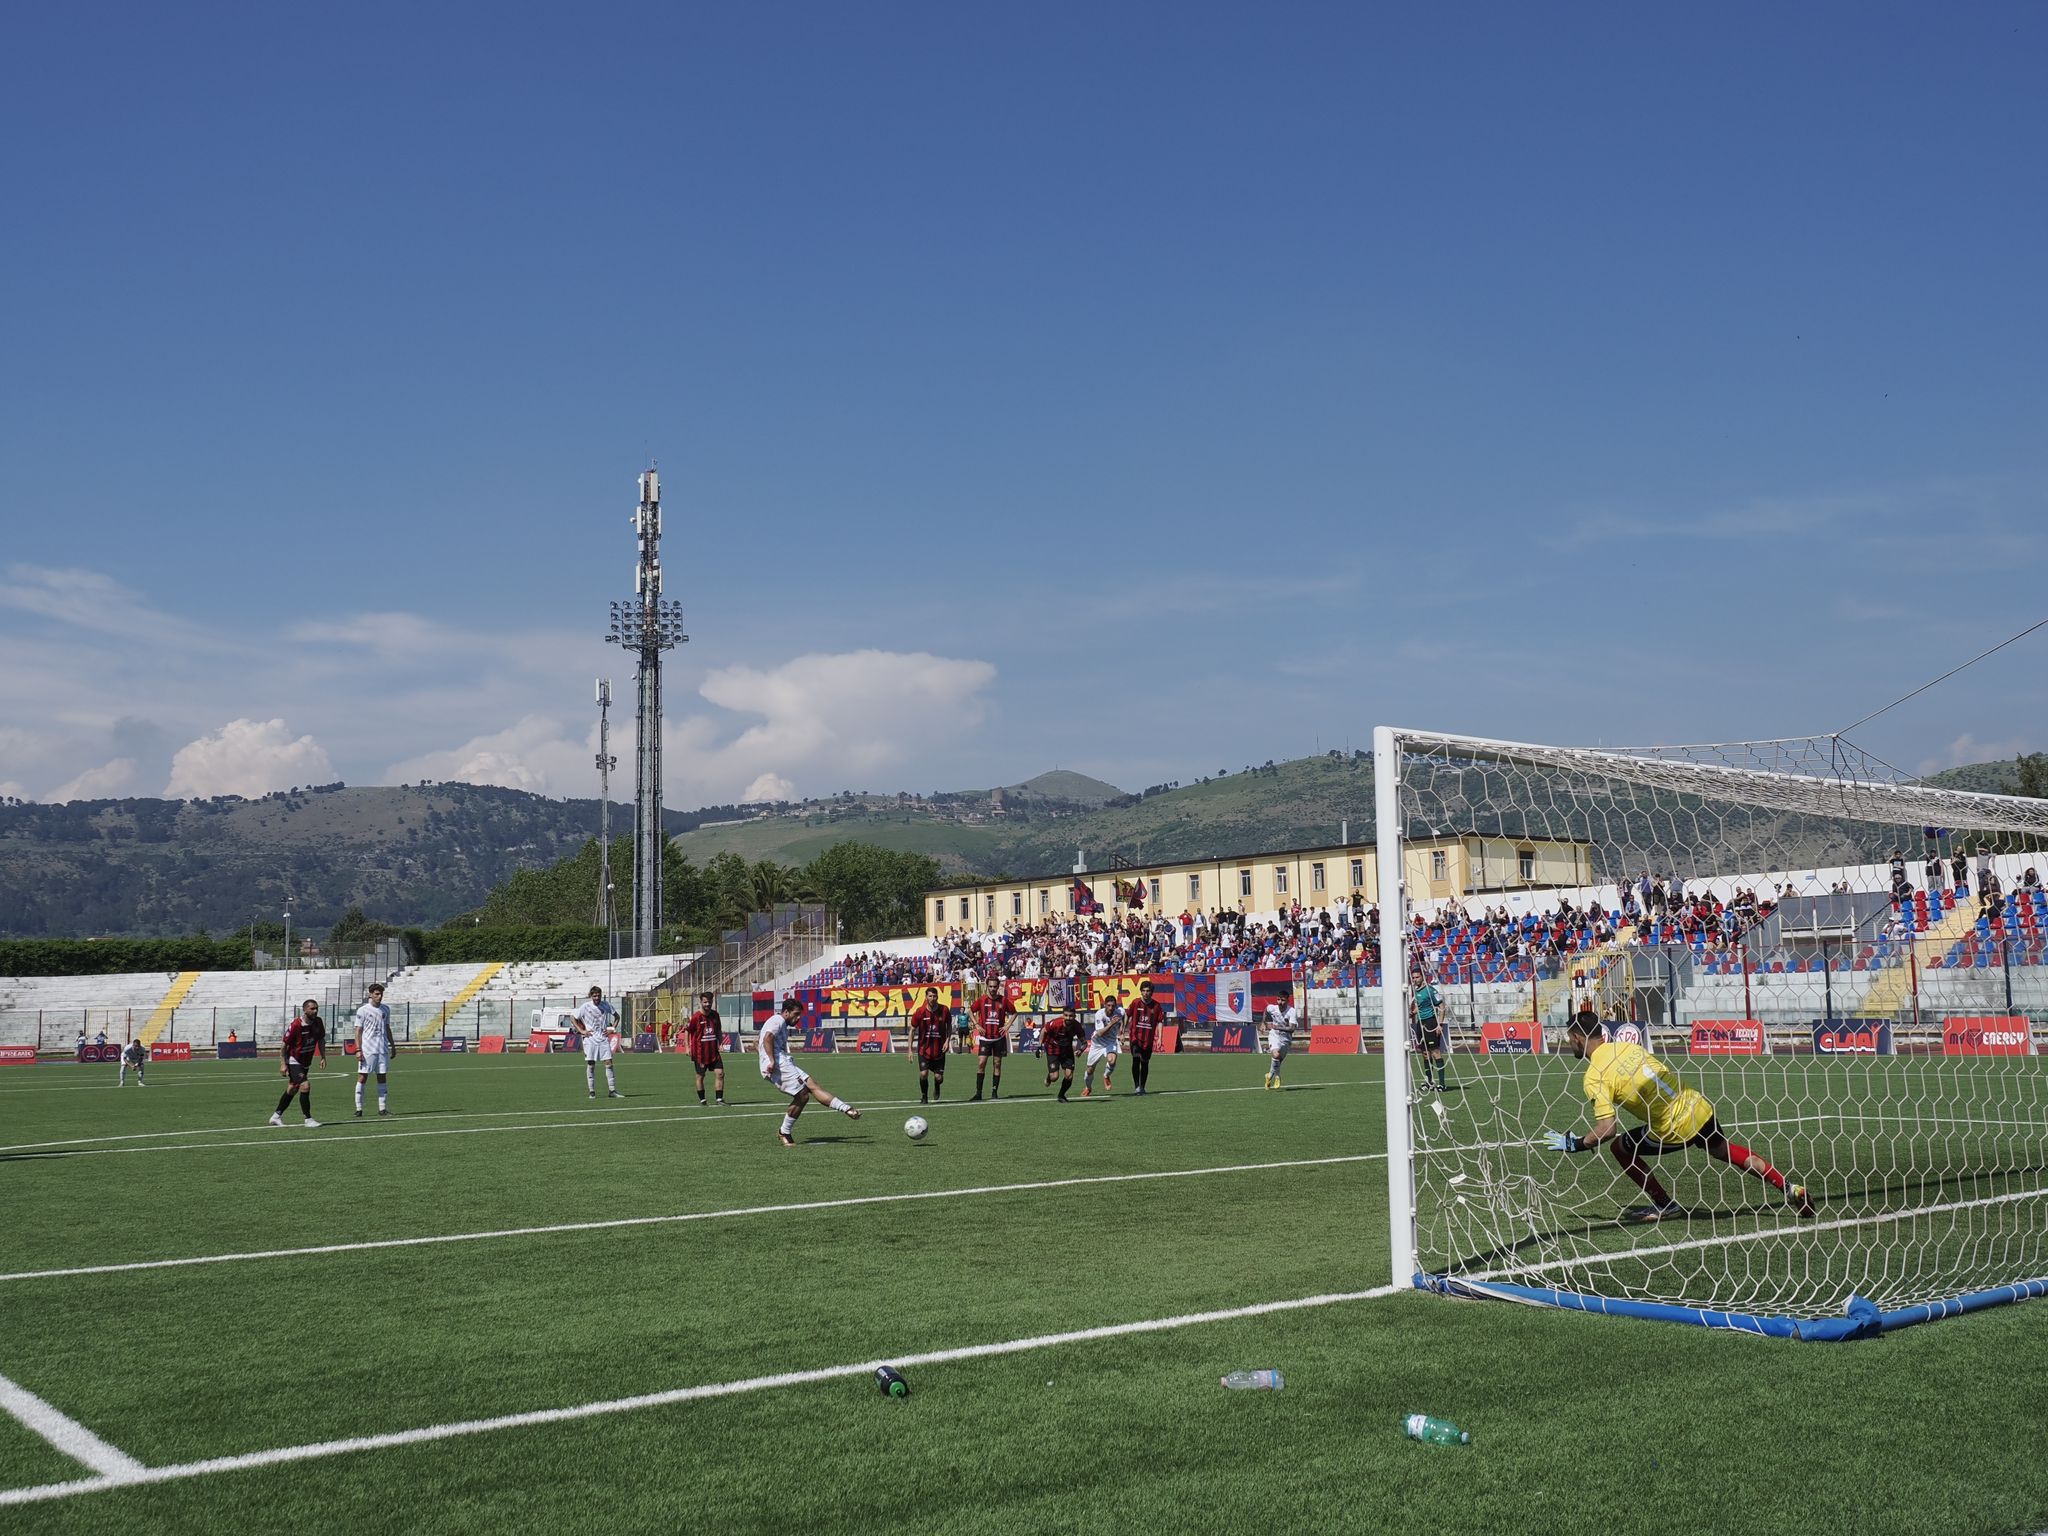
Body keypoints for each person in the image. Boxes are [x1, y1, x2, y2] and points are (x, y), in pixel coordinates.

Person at [1545, 1011, 1814, 1222]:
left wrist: (1576, 1144)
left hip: (1673, 1127)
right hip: (1697, 1105)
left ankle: (1664, 1204)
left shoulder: (1594, 1075)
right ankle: (1789, 1187)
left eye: (1570, 1039)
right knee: (1724, 1150)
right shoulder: (1628, 1047)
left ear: (1578, 1037)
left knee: (1620, 1148)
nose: (1570, 1044)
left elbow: (1607, 1128)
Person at [758, 995, 861, 1146]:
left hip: (782, 1060)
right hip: (777, 1062)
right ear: (786, 1012)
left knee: (813, 1085)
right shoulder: (778, 1020)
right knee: (802, 1095)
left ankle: (847, 1109)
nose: (798, 1018)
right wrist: (771, 1060)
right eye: (796, 1014)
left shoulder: (780, 1023)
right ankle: (784, 1132)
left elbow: (760, 1040)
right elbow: (767, 1038)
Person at [269, 999, 326, 1127]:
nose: (315, 1011)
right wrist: (283, 1064)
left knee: (292, 1089)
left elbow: (321, 1039)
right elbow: (284, 1046)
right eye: (312, 1008)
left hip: (306, 1061)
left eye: (316, 1008)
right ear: (305, 1010)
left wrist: (323, 1056)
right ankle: (308, 1119)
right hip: (294, 1060)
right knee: (305, 1085)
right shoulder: (296, 1025)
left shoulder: (318, 1022)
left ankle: (276, 1116)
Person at [352, 982, 394, 1118]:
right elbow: (358, 1031)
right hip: (368, 1050)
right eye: (376, 994)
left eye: (381, 994)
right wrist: (358, 1049)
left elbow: (387, 1028)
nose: (379, 996)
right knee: (362, 1077)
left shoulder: (386, 1009)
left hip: (382, 1049)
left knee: (382, 1077)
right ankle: (359, 1109)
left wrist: (392, 1045)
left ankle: (382, 1109)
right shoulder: (363, 1010)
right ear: (370, 994)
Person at [573, 986, 621, 1100]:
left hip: (603, 1039)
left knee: (609, 1063)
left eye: (598, 995)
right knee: (591, 1065)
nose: (597, 997)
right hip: (590, 1039)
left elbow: (617, 1017)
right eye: (594, 995)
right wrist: (582, 1031)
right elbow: (573, 1018)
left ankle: (612, 1090)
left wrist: (612, 1029)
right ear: (591, 996)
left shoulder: (606, 1005)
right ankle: (592, 1092)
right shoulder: (585, 1007)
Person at [969, 986, 1014, 1101]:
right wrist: (976, 1025)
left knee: (997, 1064)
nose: (993, 989)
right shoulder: (982, 1000)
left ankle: (994, 1092)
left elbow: (1014, 1012)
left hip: (999, 1038)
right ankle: (978, 1093)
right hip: (985, 1038)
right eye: (991, 986)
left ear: (997, 987)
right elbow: (970, 1010)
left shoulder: (1003, 1000)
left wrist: (1008, 1025)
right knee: (981, 1063)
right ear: (987, 987)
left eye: (995, 986)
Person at [909, 986, 952, 1104]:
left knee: (939, 1078)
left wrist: (947, 1040)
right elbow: (912, 1030)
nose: (932, 998)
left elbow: (949, 1026)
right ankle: (924, 1096)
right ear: (926, 997)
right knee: (923, 1073)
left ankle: (937, 1086)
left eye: (934, 996)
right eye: (930, 996)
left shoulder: (944, 1010)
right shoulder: (920, 1012)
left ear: (937, 996)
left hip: (939, 1050)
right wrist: (910, 1050)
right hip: (924, 1049)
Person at [1125, 978, 1167, 1096]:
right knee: (1136, 1058)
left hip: (1148, 1039)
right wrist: (1122, 1031)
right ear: (1140, 991)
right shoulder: (1135, 1002)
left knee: (1145, 1062)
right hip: (1135, 1037)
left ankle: (1142, 1086)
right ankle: (1136, 1086)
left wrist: (1159, 1038)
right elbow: (1127, 1015)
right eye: (1143, 990)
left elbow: (1160, 1022)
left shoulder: (1157, 1006)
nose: (1145, 993)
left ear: (1151, 992)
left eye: (1148, 991)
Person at [684, 991, 726, 1106]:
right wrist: (687, 1047)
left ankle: (719, 1099)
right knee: (700, 1076)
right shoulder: (696, 1017)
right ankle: (702, 1100)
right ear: (701, 1002)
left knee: (720, 1073)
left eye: (709, 1002)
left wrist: (721, 1043)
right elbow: (687, 1031)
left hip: (713, 1051)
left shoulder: (715, 1015)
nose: (707, 1004)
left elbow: (718, 1031)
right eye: (705, 1002)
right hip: (700, 1053)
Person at [1410, 973, 1448, 1092]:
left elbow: (1442, 1006)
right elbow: (1419, 1007)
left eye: (1417, 977)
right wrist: (1412, 1013)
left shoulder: (1430, 990)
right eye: (1414, 978)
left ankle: (1442, 1084)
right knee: (1425, 1053)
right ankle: (1429, 1081)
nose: (1415, 980)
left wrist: (1440, 1024)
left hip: (1431, 1023)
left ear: (1423, 977)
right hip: (1420, 1024)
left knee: (1435, 1052)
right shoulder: (1416, 991)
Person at [1041, 1003, 1081, 1101]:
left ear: (1074, 1016)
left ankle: (1061, 1095)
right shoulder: (1055, 1023)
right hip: (1052, 1049)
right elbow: (1044, 1031)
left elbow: (1084, 1041)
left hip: (1067, 1051)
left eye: (1071, 1016)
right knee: (1054, 1077)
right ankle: (1049, 1076)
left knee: (1069, 1075)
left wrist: (1081, 1049)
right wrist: (1039, 1045)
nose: (1068, 1018)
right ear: (1063, 1015)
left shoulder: (1077, 1026)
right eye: (1066, 1015)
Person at [1082, 997, 1121, 1097]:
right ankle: (1088, 1087)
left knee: (1112, 1060)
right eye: (1108, 1005)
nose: (1111, 1008)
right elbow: (1100, 1033)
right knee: (1090, 1070)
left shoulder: (1119, 1013)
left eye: (1113, 1006)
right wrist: (1112, 1023)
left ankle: (1106, 1076)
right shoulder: (1099, 1014)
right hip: (1097, 1043)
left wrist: (1122, 1031)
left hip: (1110, 1042)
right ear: (1104, 1006)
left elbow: (1123, 1018)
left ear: (1115, 1006)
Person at [1264, 994, 1298, 1090]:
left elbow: (1292, 1029)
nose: (1280, 1002)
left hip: (1286, 1039)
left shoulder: (1291, 1011)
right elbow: (1266, 1009)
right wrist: (1263, 1022)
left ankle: (1269, 1075)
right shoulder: (1273, 1008)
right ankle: (1277, 1076)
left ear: (1288, 1000)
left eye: (1282, 1000)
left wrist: (1277, 1027)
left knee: (1278, 1060)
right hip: (1274, 1035)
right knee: (1275, 1055)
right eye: (1278, 999)